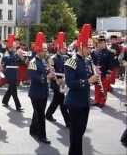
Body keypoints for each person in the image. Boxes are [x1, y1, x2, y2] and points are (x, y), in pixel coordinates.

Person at [64, 24, 99, 155]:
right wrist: (87, 81)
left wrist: (95, 79)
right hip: (74, 103)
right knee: (75, 135)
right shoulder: (71, 61)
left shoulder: (88, 60)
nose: (90, 50)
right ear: (80, 46)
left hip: (84, 102)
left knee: (80, 132)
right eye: (88, 47)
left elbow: (89, 76)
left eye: (91, 47)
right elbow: (70, 83)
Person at [27, 32, 51, 144]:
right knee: (41, 115)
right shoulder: (32, 62)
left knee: (37, 112)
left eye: (46, 50)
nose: (46, 52)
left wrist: (49, 70)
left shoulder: (44, 60)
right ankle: (42, 135)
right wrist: (47, 77)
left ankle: (32, 130)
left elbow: (45, 72)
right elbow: (34, 77)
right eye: (44, 50)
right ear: (39, 50)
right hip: (36, 93)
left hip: (44, 92)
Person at [45, 32, 70, 127]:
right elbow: (51, 70)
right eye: (64, 48)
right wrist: (56, 80)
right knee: (62, 101)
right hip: (56, 81)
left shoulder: (66, 57)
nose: (65, 50)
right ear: (59, 48)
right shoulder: (53, 58)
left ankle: (48, 114)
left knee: (57, 100)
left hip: (62, 81)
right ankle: (68, 122)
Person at [1, 35, 24, 112]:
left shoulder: (14, 53)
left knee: (11, 89)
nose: (13, 48)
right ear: (9, 47)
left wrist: (23, 58)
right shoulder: (7, 53)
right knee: (14, 91)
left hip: (14, 73)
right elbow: (5, 61)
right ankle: (18, 106)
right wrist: (16, 55)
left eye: (14, 47)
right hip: (9, 73)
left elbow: (19, 62)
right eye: (12, 47)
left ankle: (5, 100)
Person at [90, 35, 112, 108]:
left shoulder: (109, 52)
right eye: (100, 43)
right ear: (98, 43)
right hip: (96, 73)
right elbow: (92, 62)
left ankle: (102, 101)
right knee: (97, 88)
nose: (101, 44)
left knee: (103, 88)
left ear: (105, 43)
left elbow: (110, 64)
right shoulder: (95, 52)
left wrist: (108, 73)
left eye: (103, 43)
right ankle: (96, 100)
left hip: (104, 73)